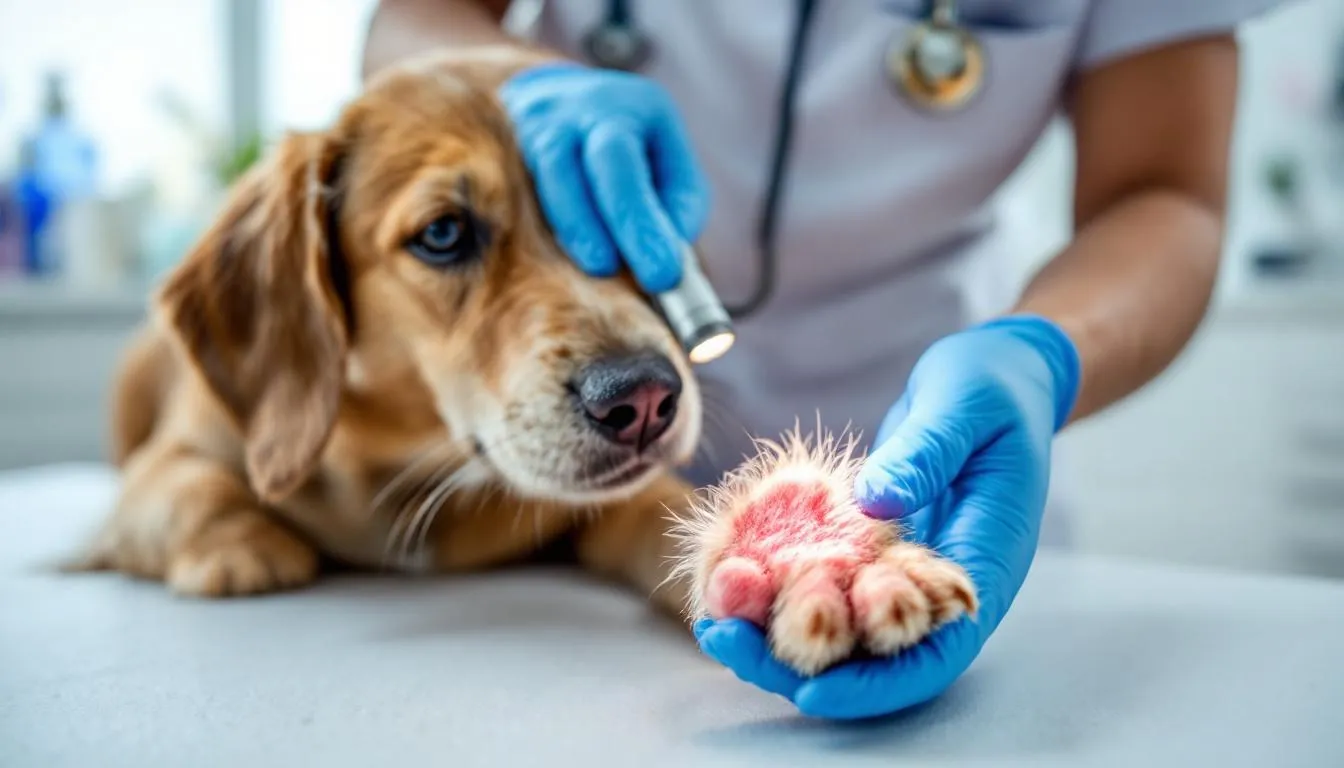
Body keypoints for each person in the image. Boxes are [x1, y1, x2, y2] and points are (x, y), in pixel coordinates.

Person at [361, 0, 1288, 720]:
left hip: (932, 473)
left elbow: (1165, 193)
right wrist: (511, 79)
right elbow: (410, 16)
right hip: (584, 516)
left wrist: (1041, 356)